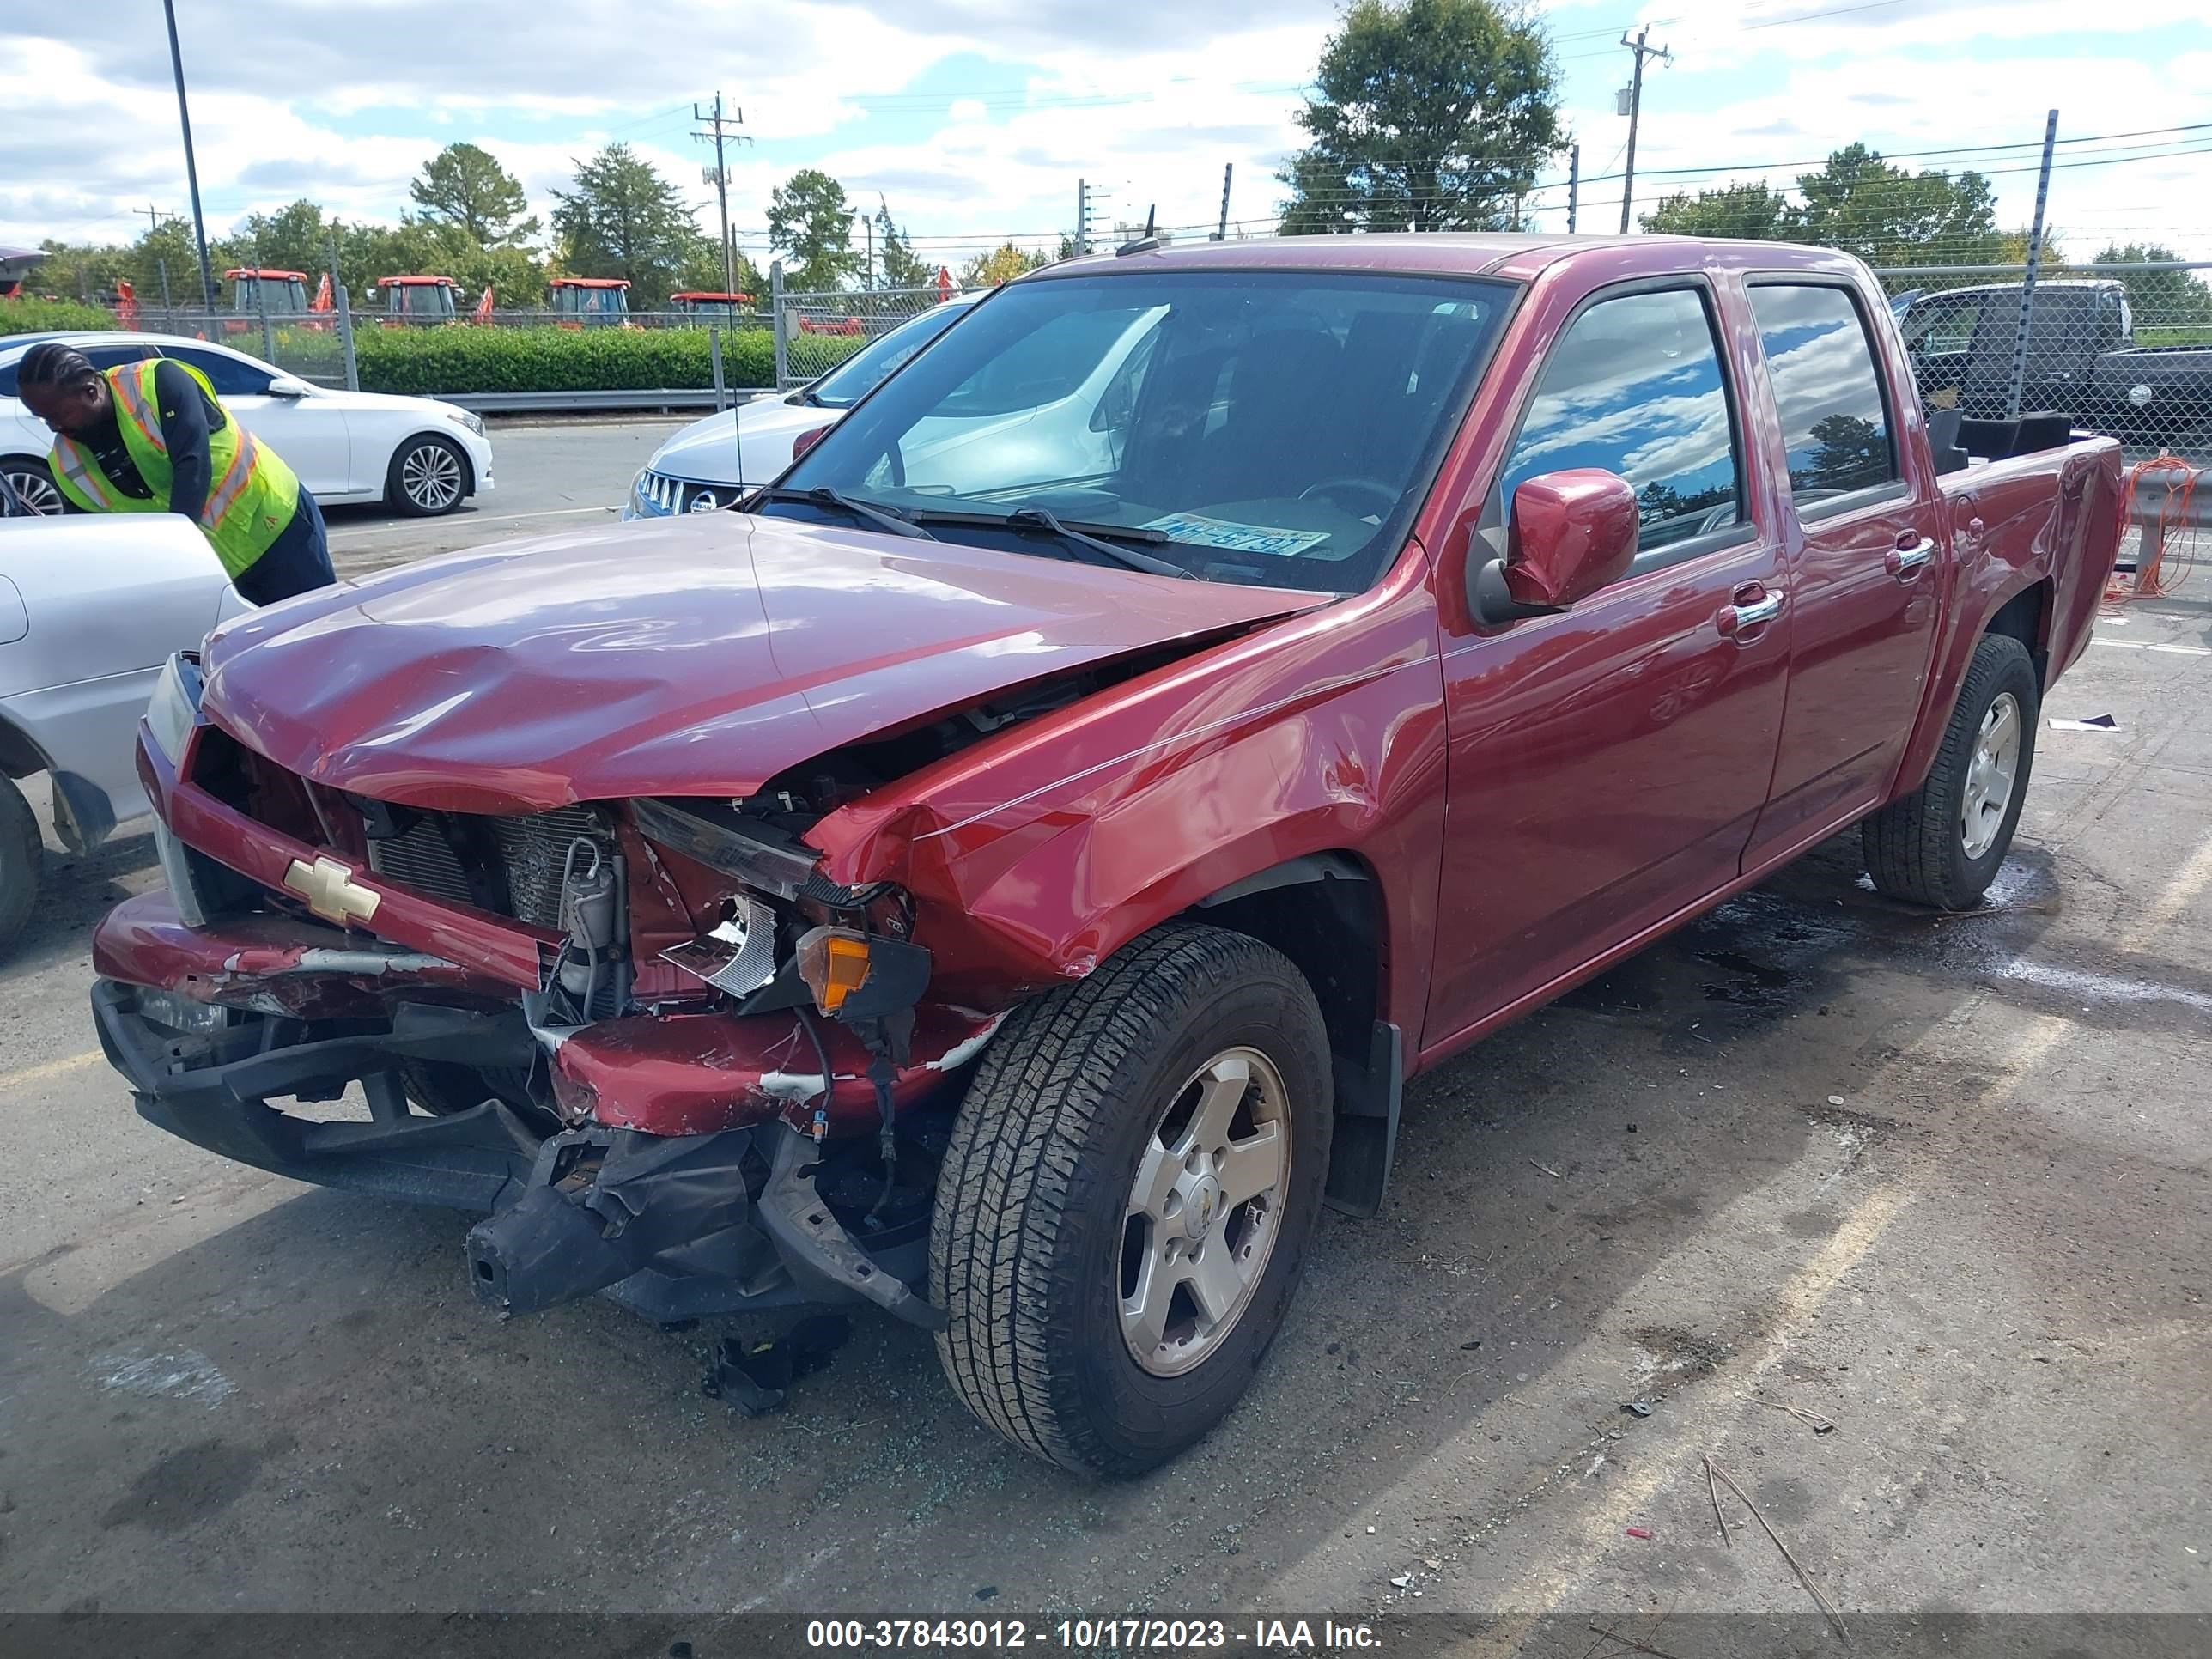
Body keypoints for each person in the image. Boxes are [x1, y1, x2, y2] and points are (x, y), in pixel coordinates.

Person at [15, 343, 335, 605]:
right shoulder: (66, 463)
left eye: (58, 414)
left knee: (317, 637)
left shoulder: (158, 383)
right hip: (216, 570)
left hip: (276, 528)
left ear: (90, 391)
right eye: (43, 419)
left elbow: (193, 466)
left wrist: (176, 563)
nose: (55, 426)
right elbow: (96, 538)